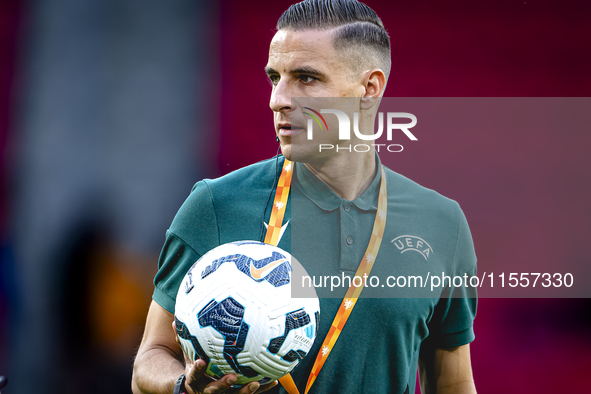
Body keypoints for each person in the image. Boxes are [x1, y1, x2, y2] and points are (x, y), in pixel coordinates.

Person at [132, 1, 477, 393]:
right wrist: (182, 385)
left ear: (369, 89)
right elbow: (152, 354)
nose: (278, 99)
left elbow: (453, 381)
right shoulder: (215, 205)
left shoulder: (441, 223)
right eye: (274, 77)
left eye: (306, 78)